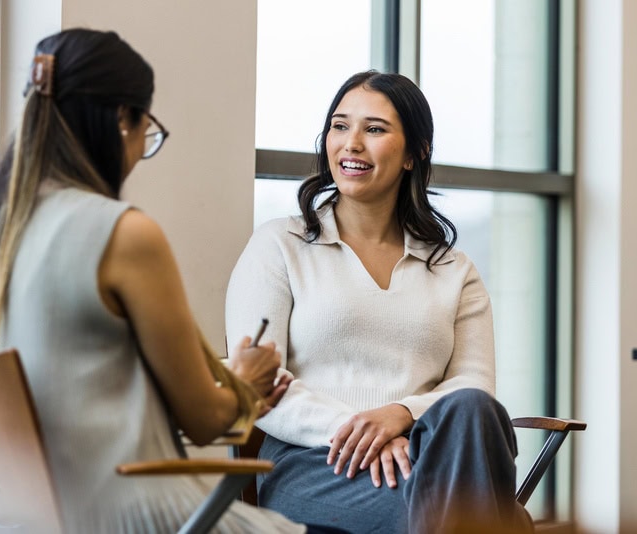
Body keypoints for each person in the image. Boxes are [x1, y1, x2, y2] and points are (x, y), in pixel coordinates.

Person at [0, 28, 310, 533]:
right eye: (148, 128)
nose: (143, 147)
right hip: (138, 515)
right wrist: (249, 382)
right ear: (122, 119)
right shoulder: (124, 234)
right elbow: (206, 422)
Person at [225, 71, 531, 533]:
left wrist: (401, 415)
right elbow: (262, 383)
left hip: (427, 455)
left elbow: (475, 383)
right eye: (339, 125)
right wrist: (366, 433)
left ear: (415, 153)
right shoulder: (279, 246)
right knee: (484, 514)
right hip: (317, 464)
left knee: (472, 407)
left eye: (374, 129)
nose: (351, 144)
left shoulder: (454, 270)